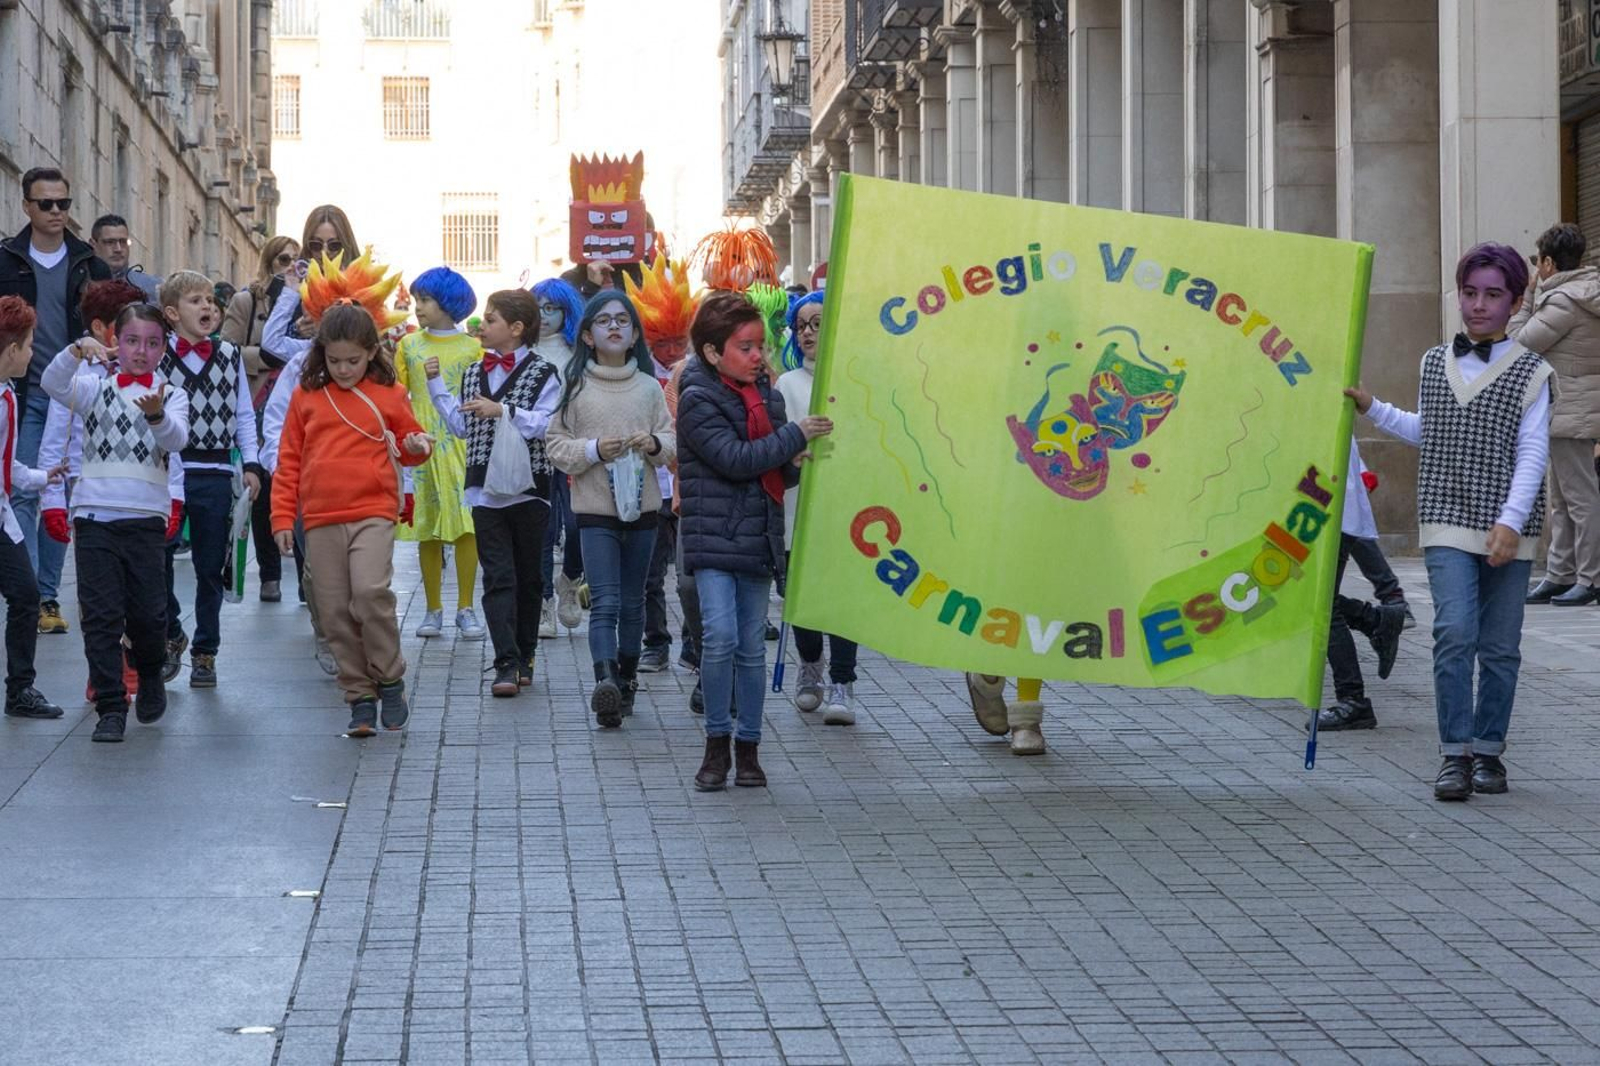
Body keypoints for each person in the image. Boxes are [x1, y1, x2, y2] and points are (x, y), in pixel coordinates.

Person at [1346, 243, 1552, 801]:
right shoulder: (1434, 361)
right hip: (1444, 516)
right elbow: (1429, 429)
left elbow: (1533, 455)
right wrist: (1373, 408)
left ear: (1516, 300)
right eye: (1469, 293)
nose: (1478, 305)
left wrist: (1510, 523)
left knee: (1501, 646)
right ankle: (1454, 753)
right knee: (1454, 633)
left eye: (1492, 295)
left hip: (1510, 528)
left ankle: (1489, 752)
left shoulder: (1534, 373)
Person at [678, 291, 829, 789]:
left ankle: (749, 747)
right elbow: (735, 459)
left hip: (757, 537)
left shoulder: (769, 395)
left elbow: (771, 472)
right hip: (713, 537)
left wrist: (792, 463)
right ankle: (715, 741)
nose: (758, 355)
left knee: (750, 648)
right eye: (745, 347)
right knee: (719, 639)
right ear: (712, 352)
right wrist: (793, 440)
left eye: (761, 345)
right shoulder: (697, 398)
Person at [272, 303, 432, 736]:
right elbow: (288, 460)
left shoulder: (389, 393)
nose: (343, 369)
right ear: (321, 353)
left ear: (371, 352)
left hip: (373, 510)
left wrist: (417, 443)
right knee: (334, 611)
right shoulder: (306, 397)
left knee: (369, 592)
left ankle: (389, 673)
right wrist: (282, 518)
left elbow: (411, 443)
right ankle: (359, 694)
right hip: (321, 516)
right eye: (334, 360)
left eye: (353, 361)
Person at [42, 303, 190, 741]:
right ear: (115, 343)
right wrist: (75, 351)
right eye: (131, 341)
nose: (140, 352)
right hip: (94, 518)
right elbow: (52, 383)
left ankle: (148, 673)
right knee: (101, 617)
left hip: (145, 519)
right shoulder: (92, 387)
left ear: (164, 348)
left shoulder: (170, 394)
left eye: (151, 343)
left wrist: (157, 414)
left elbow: (177, 439)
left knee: (148, 615)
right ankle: (110, 705)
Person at [547, 291, 675, 727]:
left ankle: (626, 681)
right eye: (604, 321)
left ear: (635, 333)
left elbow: (669, 441)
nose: (614, 327)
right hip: (594, 511)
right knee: (605, 601)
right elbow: (556, 445)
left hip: (644, 512)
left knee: (635, 602)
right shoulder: (576, 386)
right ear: (587, 335)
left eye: (623, 320)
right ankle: (605, 682)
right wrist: (593, 449)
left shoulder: (649, 388)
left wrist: (655, 444)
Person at [429, 290, 559, 696]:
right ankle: (505, 662)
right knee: (499, 577)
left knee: (530, 577)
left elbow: (548, 424)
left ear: (516, 329)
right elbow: (462, 426)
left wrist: (503, 410)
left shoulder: (544, 372)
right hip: (484, 489)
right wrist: (435, 386)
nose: (480, 327)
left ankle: (525, 655)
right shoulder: (472, 372)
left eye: (490, 320)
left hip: (529, 489)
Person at [0, 167, 111, 637]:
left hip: (73, 394)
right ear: (26, 205)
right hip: (23, 393)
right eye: (45, 204)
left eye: (63, 204)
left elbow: (110, 320)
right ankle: (23, 592)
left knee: (61, 493)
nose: (55, 212)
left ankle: (46, 596)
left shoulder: (89, 263)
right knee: (22, 488)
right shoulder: (6, 259)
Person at [156, 270, 264, 688]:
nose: (207, 307)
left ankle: (206, 650)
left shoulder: (230, 356)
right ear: (170, 313)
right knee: (158, 557)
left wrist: (251, 464)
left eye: (210, 300)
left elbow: (243, 414)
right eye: (195, 301)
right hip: (168, 473)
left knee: (209, 565)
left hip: (217, 470)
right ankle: (171, 633)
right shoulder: (159, 355)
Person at [776, 292, 860, 725]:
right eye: (802, 325)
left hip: (848, 507)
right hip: (798, 508)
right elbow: (776, 439)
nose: (808, 333)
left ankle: (843, 681)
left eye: (818, 324)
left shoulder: (857, 380)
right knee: (801, 596)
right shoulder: (787, 384)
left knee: (844, 598)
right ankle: (810, 665)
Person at [1512, 223, 1600, 607]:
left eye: (1538, 263)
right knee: (1563, 498)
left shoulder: (1564, 301)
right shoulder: (1583, 292)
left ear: (1548, 263)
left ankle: (1589, 578)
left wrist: (1529, 295)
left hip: (1571, 407)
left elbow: (1519, 343)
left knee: (1579, 497)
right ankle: (1561, 574)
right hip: (1568, 406)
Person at [396, 267, 484, 641]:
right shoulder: (408, 346)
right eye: (417, 300)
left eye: (426, 300)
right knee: (427, 527)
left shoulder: (473, 349)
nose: (419, 307)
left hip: (462, 445)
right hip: (421, 445)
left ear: (449, 303)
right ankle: (433, 609)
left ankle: (466, 607)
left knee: (467, 527)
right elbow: (398, 395)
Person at [623, 256, 696, 673]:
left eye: (679, 342)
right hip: (651, 487)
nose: (671, 351)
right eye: (662, 344)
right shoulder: (636, 379)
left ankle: (692, 642)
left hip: (687, 489)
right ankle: (656, 643)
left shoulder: (697, 374)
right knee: (650, 575)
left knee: (690, 578)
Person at [221, 234, 299, 603]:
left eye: (297, 261)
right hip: (259, 402)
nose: (290, 268)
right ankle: (270, 575)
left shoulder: (309, 303)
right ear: (268, 263)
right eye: (283, 260)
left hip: (299, 401)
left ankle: (306, 575)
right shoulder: (247, 300)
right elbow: (227, 350)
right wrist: (268, 357)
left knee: (300, 484)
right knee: (264, 487)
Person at [0, 296, 66, 721]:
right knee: (25, 596)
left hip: (4, 515)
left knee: (26, 597)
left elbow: (5, 461)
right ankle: (20, 687)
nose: (31, 354)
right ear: (10, 350)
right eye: (27, 346)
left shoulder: (8, 395)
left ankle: (20, 688)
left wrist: (41, 477)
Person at [1313, 438, 1408, 732]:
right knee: (1309, 601)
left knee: (1320, 607)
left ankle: (1353, 700)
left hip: (1325, 505)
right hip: (1320, 501)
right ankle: (1376, 620)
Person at [531, 276, 586, 635]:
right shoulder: (523, 353)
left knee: (579, 522)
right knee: (542, 529)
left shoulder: (578, 354)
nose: (545, 315)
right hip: (534, 451)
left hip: (575, 450)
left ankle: (569, 580)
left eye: (552, 308)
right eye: (538, 308)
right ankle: (544, 602)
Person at [89, 214, 161, 304]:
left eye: (123, 242)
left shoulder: (153, 288)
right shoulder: (80, 283)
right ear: (93, 244)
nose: (118, 249)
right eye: (110, 242)